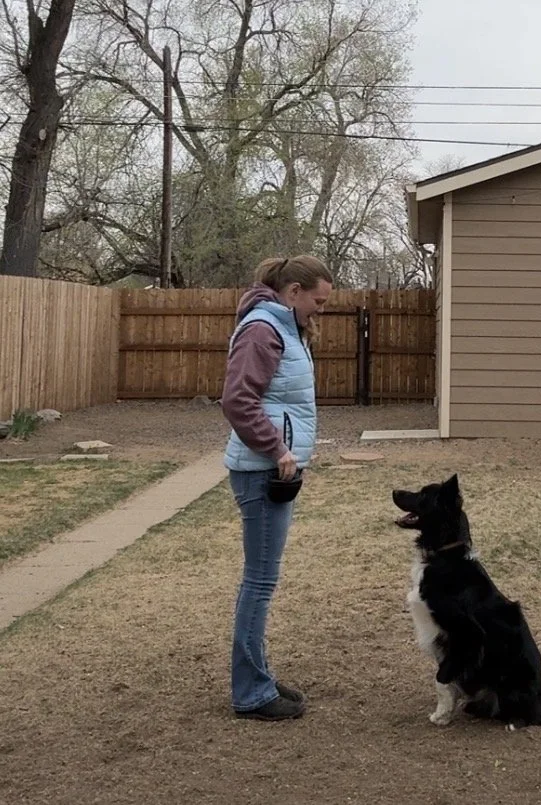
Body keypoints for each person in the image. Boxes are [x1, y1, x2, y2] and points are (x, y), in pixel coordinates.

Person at [221, 254, 333, 722]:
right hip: (264, 470)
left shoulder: (285, 329)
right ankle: (251, 692)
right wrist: (279, 451)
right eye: (318, 301)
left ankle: (258, 675)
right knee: (260, 581)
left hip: (274, 469)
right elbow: (238, 400)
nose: (321, 309)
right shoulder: (263, 330)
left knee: (262, 579)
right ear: (293, 292)